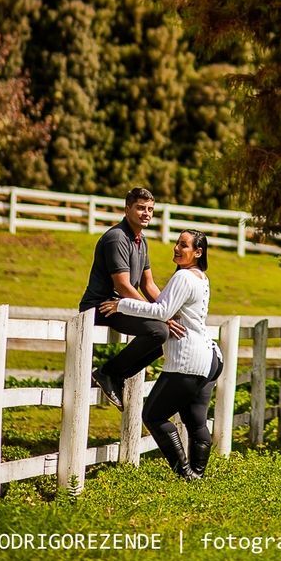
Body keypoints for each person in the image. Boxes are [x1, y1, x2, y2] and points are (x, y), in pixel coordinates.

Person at [100, 229, 223, 480]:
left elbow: (161, 311)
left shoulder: (184, 278)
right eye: (177, 243)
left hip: (188, 360)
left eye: (184, 245)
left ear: (198, 252)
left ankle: (186, 473)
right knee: (195, 421)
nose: (177, 248)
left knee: (153, 416)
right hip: (210, 357)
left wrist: (120, 304)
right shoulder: (201, 277)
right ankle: (197, 476)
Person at [79, 186, 178, 411]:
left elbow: (148, 284)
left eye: (150, 209)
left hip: (122, 306)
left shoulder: (141, 241)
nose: (147, 213)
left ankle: (116, 375)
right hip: (101, 306)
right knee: (159, 330)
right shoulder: (117, 238)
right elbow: (123, 286)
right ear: (127, 209)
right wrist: (157, 314)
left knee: (168, 331)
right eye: (141, 208)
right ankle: (108, 374)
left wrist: (168, 311)